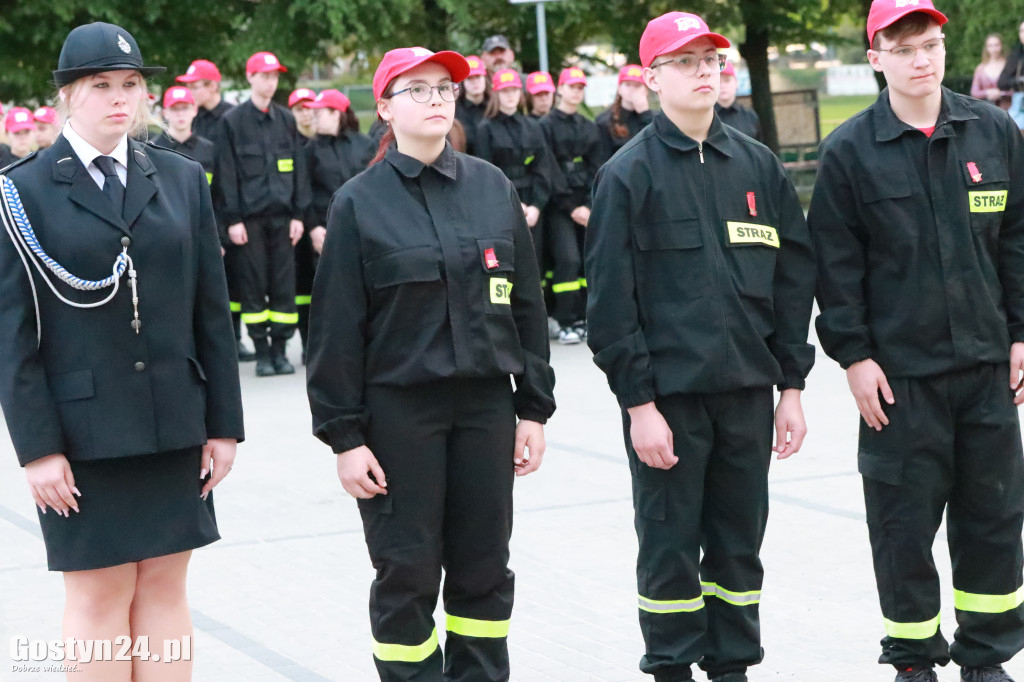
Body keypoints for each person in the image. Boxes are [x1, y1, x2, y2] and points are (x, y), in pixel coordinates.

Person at [0, 22, 243, 681]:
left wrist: (224, 424)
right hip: (83, 435)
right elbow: (12, 336)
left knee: (164, 584)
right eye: (101, 85)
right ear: (66, 95)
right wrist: (37, 449)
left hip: (174, 421)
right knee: (100, 591)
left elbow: (211, 311)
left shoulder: (181, 178)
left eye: (131, 84)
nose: (119, 98)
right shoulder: (22, 191)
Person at [306, 46, 555, 682]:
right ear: (385, 109)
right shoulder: (358, 203)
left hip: (485, 411)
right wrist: (345, 439)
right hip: (399, 418)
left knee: (484, 569)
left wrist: (532, 408)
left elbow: (526, 307)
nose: (436, 99)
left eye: (444, 87)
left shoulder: (492, 188)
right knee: (407, 573)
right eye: (416, 89)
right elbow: (334, 331)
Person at [586, 12, 815, 682]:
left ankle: (732, 666)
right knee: (670, 547)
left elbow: (793, 281)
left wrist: (791, 387)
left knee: (739, 546)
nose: (702, 73)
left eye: (710, 60)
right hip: (670, 403)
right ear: (653, 78)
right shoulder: (627, 176)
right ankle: (671, 667)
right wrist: (639, 406)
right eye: (684, 62)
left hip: (747, 396)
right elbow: (610, 306)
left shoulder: (758, 166)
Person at [808, 1, 1024, 680]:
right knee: (902, 526)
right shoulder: (848, 152)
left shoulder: (993, 132)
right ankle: (913, 659)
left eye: (929, 44)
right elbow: (835, 268)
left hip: (987, 371)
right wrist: (854, 356)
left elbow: (1018, 240)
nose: (920, 60)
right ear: (877, 59)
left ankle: (985, 658)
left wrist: (1022, 333)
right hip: (898, 381)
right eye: (903, 49)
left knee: (993, 520)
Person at [216, 51, 310, 377]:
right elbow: (227, 174)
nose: (271, 82)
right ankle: (262, 353)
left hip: (284, 220)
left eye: (275, 76)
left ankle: (281, 351)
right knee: (254, 286)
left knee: (284, 286)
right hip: (249, 222)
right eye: (265, 76)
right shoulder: (232, 122)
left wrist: (299, 215)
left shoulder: (286, 120)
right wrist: (233, 220)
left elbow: (299, 170)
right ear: (250, 77)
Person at [175, 58, 254, 360]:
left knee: (233, 281)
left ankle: (235, 338)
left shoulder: (232, 118)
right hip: (199, 207)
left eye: (196, 86)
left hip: (227, 208)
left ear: (213, 86)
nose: (191, 92)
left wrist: (234, 217)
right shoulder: (192, 119)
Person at [476, 68, 561, 317]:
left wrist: (536, 205)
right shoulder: (486, 129)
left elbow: (543, 169)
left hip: (532, 205)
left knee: (534, 262)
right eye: (505, 91)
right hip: (501, 204)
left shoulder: (532, 127)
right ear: (496, 94)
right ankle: (505, 316)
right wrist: (512, 204)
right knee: (504, 262)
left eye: (514, 90)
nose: (510, 95)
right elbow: (486, 173)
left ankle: (535, 315)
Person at [296, 88, 372, 362]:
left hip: (363, 228)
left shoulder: (365, 145)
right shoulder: (309, 149)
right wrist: (313, 227)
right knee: (325, 291)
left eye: (320, 112)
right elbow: (303, 191)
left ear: (338, 114)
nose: (314, 117)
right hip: (324, 230)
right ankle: (319, 347)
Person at [539, 67, 601, 343]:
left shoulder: (589, 127)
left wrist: (588, 203)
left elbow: (597, 167)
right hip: (559, 205)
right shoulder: (545, 126)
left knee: (588, 261)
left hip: (586, 206)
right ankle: (565, 320)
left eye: (580, 87)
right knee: (567, 259)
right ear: (560, 89)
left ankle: (585, 317)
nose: (576, 92)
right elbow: (548, 168)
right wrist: (571, 206)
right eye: (572, 86)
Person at [152, 85, 216, 183]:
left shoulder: (209, 149)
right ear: (165, 113)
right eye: (174, 109)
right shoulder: (152, 149)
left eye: (185, 108)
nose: (180, 114)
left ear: (194, 110)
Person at [595, 64, 653, 163]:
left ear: (646, 90)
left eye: (637, 85)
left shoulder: (655, 119)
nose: (632, 89)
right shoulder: (604, 120)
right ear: (619, 89)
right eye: (628, 84)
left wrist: (645, 114)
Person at [176, 59, 233, 144]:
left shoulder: (233, 117)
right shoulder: (191, 116)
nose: (189, 92)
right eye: (188, 87)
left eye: (194, 87)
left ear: (212, 86)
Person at [715, 60, 763, 142]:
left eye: (727, 80)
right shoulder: (705, 118)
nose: (722, 86)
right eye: (717, 81)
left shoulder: (750, 116)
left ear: (736, 83)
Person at [455, 54, 489, 155]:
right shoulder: (454, 110)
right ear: (463, 82)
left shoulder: (494, 108)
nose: (475, 82)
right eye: (469, 78)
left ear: (485, 78)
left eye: (478, 77)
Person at [971, 34, 1011, 109]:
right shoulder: (980, 68)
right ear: (986, 48)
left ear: (1001, 46)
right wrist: (987, 92)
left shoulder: (1009, 65)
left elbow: (1017, 90)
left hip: (1008, 109)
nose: (994, 49)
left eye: (996, 45)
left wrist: (1001, 93)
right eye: (990, 46)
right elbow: (974, 92)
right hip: (987, 109)